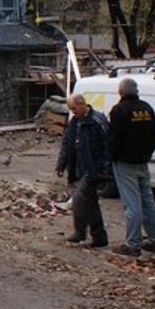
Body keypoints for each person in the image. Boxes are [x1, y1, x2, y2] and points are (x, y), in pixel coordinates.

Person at [107, 77, 155, 257]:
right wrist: (147, 153)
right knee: (148, 202)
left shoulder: (119, 110)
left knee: (132, 205)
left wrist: (111, 158)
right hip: (143, 161)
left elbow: (115, 138)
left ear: (120, 92)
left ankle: (133, 244)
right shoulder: (146, 108)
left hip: (125, 163)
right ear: (136, 91)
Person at [56, 93, 110, 248]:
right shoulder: (75, 122)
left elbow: (107, 145)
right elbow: (67, 143)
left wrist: (103, 168)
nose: (73, 112)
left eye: (74, 108)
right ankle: (99, 236)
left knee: (79, 200)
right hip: (79, 168)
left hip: (92, 168)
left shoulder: (96, 121)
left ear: (82, 104)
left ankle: (80, 232)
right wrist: (62, 164)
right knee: (90, 203)